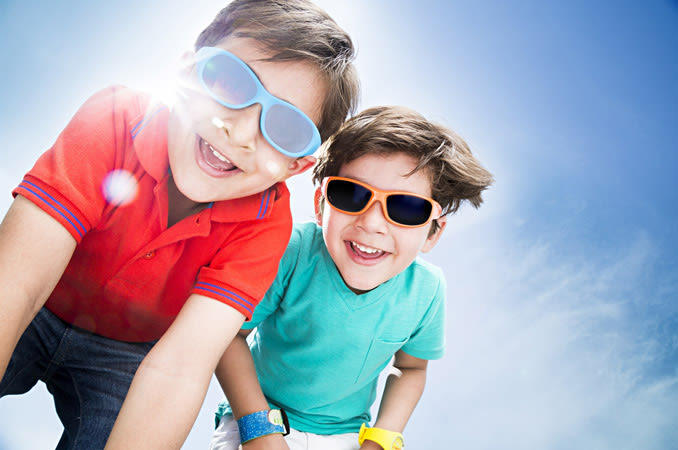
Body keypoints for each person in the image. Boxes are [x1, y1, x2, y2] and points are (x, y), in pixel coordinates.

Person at [0, 1, 359, 449]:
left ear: (295, 165)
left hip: (126, 354)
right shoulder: (117, 117)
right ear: (186, 70)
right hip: (38, 306)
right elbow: (14, 284)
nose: (241, 133)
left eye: (285, 130)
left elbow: (179, 368)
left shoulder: (268, 224)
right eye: (229, 80)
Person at [209, 106, 494, 450]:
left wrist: (381, 439)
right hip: (256, 414)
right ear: (320, 204)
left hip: (345, 434)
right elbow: (229, 335)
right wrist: (258, 429)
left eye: (405, 207)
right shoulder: (292, 250)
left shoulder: (426, 290)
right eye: (351, 194)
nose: (372, 224)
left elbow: (412, 368)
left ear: (433, 234)